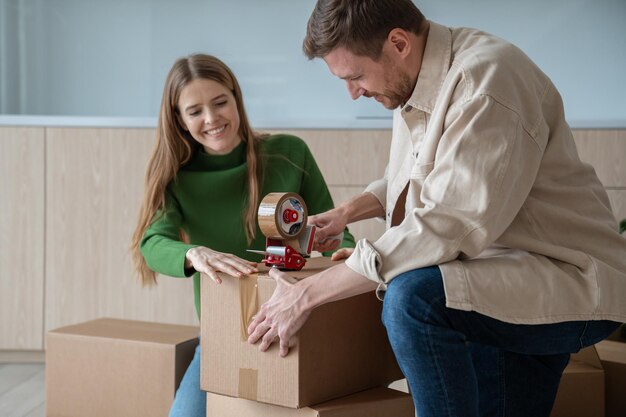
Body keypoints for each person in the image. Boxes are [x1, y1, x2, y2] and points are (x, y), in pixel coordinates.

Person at [246, 1, 626, 416]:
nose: (353, 92)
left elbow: (447, 223)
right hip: (497, 269)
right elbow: (421, 179)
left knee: (412, 298)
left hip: (566, 277)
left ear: (398, 43)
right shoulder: (410, 83)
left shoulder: (487, 82)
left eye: (355, 76)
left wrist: (306, 297)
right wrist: (346, 214)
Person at [130, 53, 355, 417]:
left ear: (237, 99)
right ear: (179, 119)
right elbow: (152, 244)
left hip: (300, 327)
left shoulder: (289, 153)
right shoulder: (176, 177)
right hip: (223, 340)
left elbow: (341, 239)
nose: (211, 119)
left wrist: (335, 250)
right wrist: (193, 254)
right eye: (195, 111)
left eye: (221, 102)